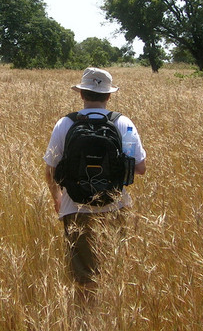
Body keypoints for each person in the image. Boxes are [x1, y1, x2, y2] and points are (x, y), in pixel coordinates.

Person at [44, 67, 146, 297]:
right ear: (109, 95)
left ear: (81, 94)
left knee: (83, 276)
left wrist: (57, 198)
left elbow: (50, 171)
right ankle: (110, 316)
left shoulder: (65, 124)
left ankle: (85, 322)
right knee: (113, 267)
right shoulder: (124, 123)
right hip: (115, 205)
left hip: (74, 207)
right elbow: (140, 168)